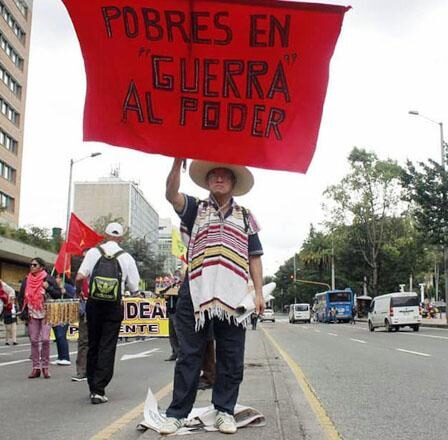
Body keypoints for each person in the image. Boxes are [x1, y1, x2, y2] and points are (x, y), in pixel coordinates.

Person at [160, 159, 264, 435]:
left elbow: (254, 256)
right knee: (189, 355)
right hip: (195, 290)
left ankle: (225, 411)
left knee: (231, 357)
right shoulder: (195, 209)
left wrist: (259, 292)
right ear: (207, 182)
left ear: (233, 183)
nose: (218, 179)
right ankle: (177, 413)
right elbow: (171, 194)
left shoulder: (245, 216)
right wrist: (176, 162)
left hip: (234, 295)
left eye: (224, 176)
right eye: (213, 175)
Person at [76, 222, 140, 404]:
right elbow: (134, 287)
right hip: (114, 306)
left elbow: (80, 277)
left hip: (94, 304)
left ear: (104, 235)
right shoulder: (126, 257)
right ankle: (99, 389)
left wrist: (80, 290)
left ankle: (91, 385)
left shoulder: (93, 253)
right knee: (108, 345)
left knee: (93, 343)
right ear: (120, 238)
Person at [20, 258, 62, 379]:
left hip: (46, 313)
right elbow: (22, 296)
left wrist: (48, 287)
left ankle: (45, 367)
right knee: (34, 340)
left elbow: (58, 295)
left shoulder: (48, 279)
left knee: (45, 340)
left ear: (41, 267)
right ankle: (35, 368)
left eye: (34, 265)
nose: (32, 267)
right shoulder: (27, 280)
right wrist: (23, 312)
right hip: (32, 313)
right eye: (31, 265)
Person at [51, 274, 76, 366]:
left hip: (65, 313)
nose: (55, 279)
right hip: (55, 313)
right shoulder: (55, 287)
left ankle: (65, 357)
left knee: (61, 335)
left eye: (57, 277)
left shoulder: (68, 287)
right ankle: (60, 357)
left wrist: (64, 292)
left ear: (61, 279)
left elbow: (73, 297)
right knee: (57, 336)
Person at [1, 280, 17, 345]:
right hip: (7, 315)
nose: (13, 300)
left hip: (13, 316)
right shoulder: (7, 303)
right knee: (8, 329)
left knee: (14, 329)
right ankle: (7, 341)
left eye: (13, 299)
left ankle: (14, 341)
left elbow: (17, 310)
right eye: (12, 299)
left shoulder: (14, 305)